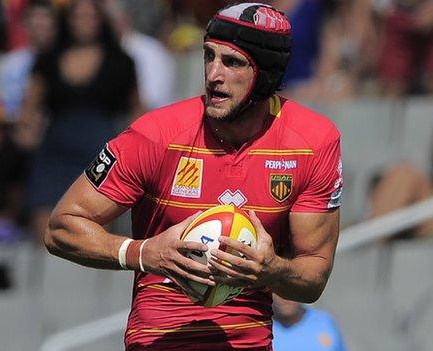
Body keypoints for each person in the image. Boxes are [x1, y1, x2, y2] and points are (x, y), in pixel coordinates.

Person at [45, 2, 342, 350]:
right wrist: (142, 253)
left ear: (267, 74)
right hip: (158, 341)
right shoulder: (155, 134)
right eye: (209, 56)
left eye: (231, 62)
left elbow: (313, 277)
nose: (213, 74)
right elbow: (61, 227)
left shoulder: (313, 143)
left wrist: (272, 269)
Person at [23, 0, 139, 242]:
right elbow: (30, 108)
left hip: (100, 150)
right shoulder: (48, 59)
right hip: (56, 148)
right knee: (45, 226)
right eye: (78, 17)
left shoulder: (121, 61)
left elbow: (136, 109)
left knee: (92, 227)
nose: (84, 23)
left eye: (90, 17)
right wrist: (25, 133)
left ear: (101, 21)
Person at [272, 294, 347, 351]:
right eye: (278, 291)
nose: (285, 298)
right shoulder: (262, 328)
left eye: (291, 290)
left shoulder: (325, 322)